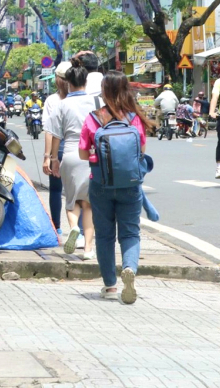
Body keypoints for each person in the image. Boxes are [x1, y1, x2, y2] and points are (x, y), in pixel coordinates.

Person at [78, 71, 151, 303]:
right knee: (130, 233)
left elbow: (82, 153)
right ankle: (129, 268)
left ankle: (110, 286)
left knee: (105, 236)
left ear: (104, 91)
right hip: (130, 185)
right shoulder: (134, 118)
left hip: (100, 184)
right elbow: (142, 151)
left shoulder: (94, 118)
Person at [49, 58, 95, 259]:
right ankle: (87, 250)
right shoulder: (97, 102)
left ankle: (74, 227)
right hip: (91, 155)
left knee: (71, 200)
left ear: (68, 83)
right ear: (86, 81)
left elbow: (56, 135)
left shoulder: (61, 104)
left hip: (69, 154)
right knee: (88, 203)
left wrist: (53, 159)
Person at [42, 62, 70, 235]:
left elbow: (49, 131)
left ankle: (56, 227)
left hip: (58, 150)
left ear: (57, 80)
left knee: (56, 190)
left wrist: (48, 156)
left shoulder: (52, 100)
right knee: (80, 191)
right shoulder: (84, 99)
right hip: (80, 150)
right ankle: (80, 228)